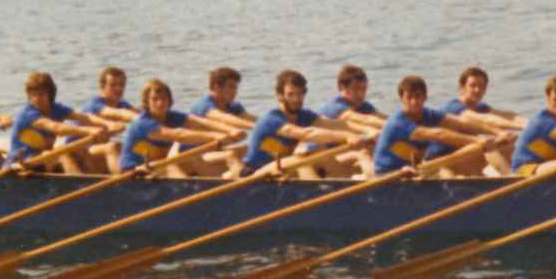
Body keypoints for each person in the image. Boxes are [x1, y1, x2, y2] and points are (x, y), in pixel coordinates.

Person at [238, 70, 371, 179]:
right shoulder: (272, 120)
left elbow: (335, 124)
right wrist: (347, 136)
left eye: (300, 93)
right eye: (291, 94)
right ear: (280, 96)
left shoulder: (305, 116)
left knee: (340, 154)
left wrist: (368, 133)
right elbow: (308, 133)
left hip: (281, 172)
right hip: (254, 175)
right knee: (301, 160)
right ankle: (320, 196)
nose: (296, 99)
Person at [370, 75, 510, 176]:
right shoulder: (398, 122)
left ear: (425, 97)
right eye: (409, 97)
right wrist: (477, 140)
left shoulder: (428, 114)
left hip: (412, 171)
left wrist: (497, 133)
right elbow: (439, 135)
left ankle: (507, 179)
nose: (414, 101)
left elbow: (462, 122)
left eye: (418, 96)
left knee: (468, 162)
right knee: (446, 171)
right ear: (401, 99)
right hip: (388, 175)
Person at [427, 66, 525, 175]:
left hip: (462, 157)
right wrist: (507, 131)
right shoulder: (453, 107)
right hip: (439, 162)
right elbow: (484, 119)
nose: (477, 90)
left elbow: (507, 115)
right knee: (486, 145)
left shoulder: (479, 106)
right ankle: (510, 177)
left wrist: (529, 124)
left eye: (481, 86)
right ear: (462, 88)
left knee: (507, 146)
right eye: (472, 86)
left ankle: (522, 173)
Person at [118, 79, 223, 177]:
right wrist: (215, 137)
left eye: (163, 98)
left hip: (155, 166)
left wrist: (228, 132)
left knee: (194, 159)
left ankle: (221, 184)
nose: (160, 103)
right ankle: (187, 188)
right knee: (170, 166)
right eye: (155, 99)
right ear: (147, 102)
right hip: (133, 172)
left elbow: (202, 122)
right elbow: (178, 135)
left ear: (169, 101)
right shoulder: (143, 123)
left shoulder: (172, 117)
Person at [6, 72, 103, 174]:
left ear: (50, 94)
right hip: (20, 164)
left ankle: (93, 178)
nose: (37, 99)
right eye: (33, 95)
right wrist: (89, 130)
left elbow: (85, 117)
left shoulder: (56, 109)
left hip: (42, 161)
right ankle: (80, 182)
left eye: (41, 94)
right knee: (61, 153)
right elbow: (56, 127)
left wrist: (107, 125)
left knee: (80, 151)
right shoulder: (28, 113)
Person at [311, 64, 385, 176]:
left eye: (364, 89)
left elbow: (382, 118)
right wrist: (377, 130)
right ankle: (377, 180)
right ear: (342, 88)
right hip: (328, 159)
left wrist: (400, 125)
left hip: (348, 155)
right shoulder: (334, 106)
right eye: (356, 89)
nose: (361, 94)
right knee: (364, 153)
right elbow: (363, 119)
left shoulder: (364, 106)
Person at [77, 66, 139, 174]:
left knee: (131, 148)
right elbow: (119, 113)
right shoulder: (95, 104)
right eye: (113, 85)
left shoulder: (122, 104)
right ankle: (124, 182)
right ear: (102, 87)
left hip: (92, 151)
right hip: (76, 149)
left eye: (121, 85)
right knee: (112, 147)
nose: (118, 89)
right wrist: (138, 119)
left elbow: (140, 114)